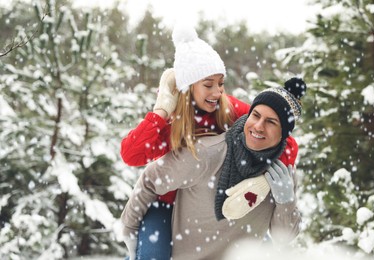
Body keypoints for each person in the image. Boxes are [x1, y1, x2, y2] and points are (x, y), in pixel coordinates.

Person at [120, 24, 301, 259]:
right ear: (187, 87)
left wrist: (264, 183)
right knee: (152, 254)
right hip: (166, 205)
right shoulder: (170, 126)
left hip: (209, 208)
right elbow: (131, 155)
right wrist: (161, 111)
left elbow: (281, 141)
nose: (217, 92)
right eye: (208, 85)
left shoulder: (228, 109)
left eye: (220, 83)